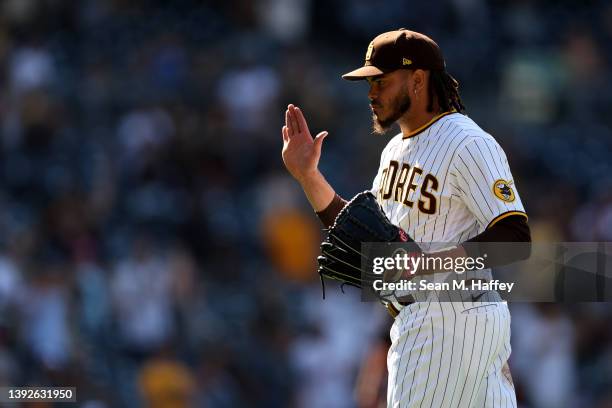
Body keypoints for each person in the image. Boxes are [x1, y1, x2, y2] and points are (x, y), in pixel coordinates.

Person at [281, 28, 531, 407]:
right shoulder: (395, 151)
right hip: (448, 320)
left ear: (417, 80)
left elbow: (514, 237)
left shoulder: (468, 142)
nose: (371, 94)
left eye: (381, 82)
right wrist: (309, 176)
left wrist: (425, 265)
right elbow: (361, 235)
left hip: (442, 320)